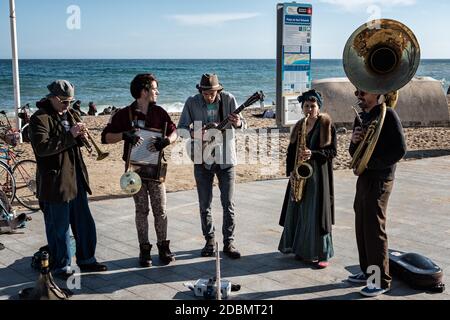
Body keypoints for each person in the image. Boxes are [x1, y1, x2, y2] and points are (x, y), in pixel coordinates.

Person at [28, 80, 107, 278]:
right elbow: (42, 148)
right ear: (53, 98)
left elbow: (73, 143)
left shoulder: (69, 114)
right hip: (55, 181)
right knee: (59, 227)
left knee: (84, 223)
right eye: (64, 101)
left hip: (76, 177)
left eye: (70, 101)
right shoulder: (40, 118)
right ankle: (62, 266)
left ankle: (87, 260)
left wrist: (81, 137)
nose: (67, 106)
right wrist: (70, 135)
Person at [101, 73, 177, 267]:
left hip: (156, 168)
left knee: (161, 210)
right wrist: (124, 135)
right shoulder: (124, 114)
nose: (157, 91)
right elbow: (106, 137)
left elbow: (175, 132)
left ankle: (163, 247)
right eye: (154, 88)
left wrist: (166, 141)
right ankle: (144, 250)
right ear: (144, 91)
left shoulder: (159, 112)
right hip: (134, 171)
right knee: (141, 210)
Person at [178, 73, 246, 259]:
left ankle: (229, 242)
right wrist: (195, 135)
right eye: (206, 93)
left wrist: (238, 122)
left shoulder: (229, 100)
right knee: (204, 204)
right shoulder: (192, 102)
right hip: (202, 158)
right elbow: (181, 129)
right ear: (200, 90)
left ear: (219, 90)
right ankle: (209, 241)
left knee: (228, 203)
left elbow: (243, 124)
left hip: (226, 159)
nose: (209, 97)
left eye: (212, 93)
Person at [347, 89, 406, 297]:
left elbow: (399, 149)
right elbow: (353, 154)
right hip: (365, 176)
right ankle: (367, 272)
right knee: (362, 224)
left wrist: (372, 163)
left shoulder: (388, 114)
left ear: (377, 93)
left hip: (380, 178)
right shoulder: (362, 117)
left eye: (363, 91)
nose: (358, 94)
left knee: (374, 227)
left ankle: (379, 280)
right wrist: (354, 142)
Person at [278, 89, 336, 269]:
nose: (309, 109)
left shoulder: (327, 125)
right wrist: (292, 173)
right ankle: (301, 249)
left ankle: (322, 253)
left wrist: (314, 153)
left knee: (316, 215)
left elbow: (332, 152)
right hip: (301, 174)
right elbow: (291, 150)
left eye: (313, 106)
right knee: (300, 212)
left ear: (319, 108)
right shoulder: (299, 125)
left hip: (318, 177)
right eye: (306, 106)